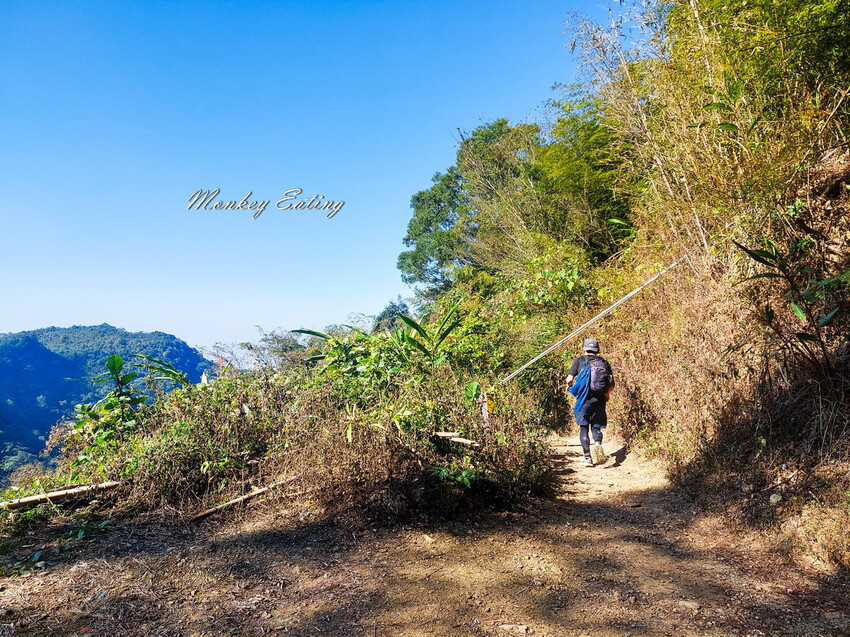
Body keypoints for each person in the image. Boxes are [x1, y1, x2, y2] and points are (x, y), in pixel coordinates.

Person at [565, 338, 614, 466]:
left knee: (584, 428)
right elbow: (611, 383)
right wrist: (606, 394)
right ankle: (598, 443)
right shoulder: (604, 363)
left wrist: (570, 387)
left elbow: (569, 379)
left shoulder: (579, 361)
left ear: (584, 349)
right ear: (598, 350)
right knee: (596, 427)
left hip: (583, 399)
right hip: (599, 399)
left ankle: (587, 457)